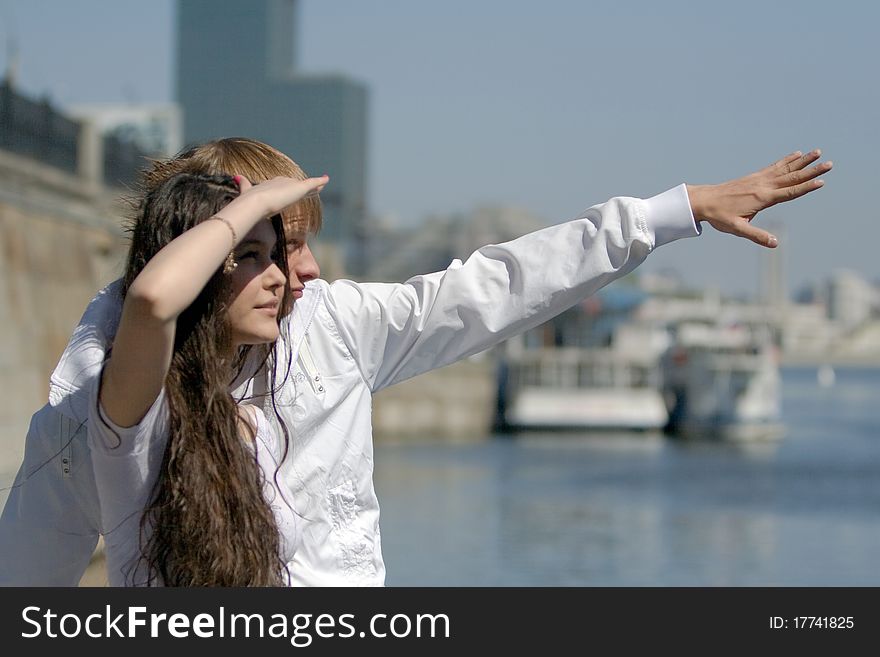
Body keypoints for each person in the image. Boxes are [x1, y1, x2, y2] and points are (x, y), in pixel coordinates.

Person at [0, 138, 831, 586]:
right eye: (284, 243)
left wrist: (672, 211)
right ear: (210, 247)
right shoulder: (101, 408)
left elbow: (497, 286)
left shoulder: (333, 327)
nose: (313, 269)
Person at [89, 170, 327, 585]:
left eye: (273, 256)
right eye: (249, 255)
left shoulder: (252, 426)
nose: (276, 278)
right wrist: (252, 204)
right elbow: (152, 299)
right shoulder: (139, 415)